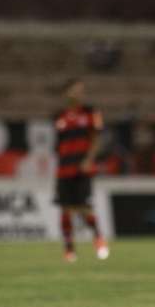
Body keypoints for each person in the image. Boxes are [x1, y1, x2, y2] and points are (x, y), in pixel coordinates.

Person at [54, 78, 109, 262]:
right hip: (64, 169)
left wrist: (89, 159)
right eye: (75, 90)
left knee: (85, 208)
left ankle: (98, 239)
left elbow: (97, 138)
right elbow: (59, 145)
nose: (79, 94)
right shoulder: (59, 116)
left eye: (81, 90)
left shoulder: (91, 112)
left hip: (83, 168)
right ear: (66, 93)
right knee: (65, 209)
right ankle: (69, 249)